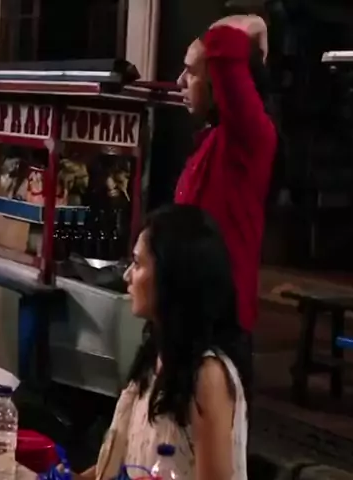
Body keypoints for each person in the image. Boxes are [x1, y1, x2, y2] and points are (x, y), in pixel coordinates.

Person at [85, 205, 251, 480]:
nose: (127, 276)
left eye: (138, 264)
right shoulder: (154, 356)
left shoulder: (208, 376)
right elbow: (117, 467)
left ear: (172, 276)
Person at [175, 14, 278, 341]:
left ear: (218, 81)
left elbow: (222, 45)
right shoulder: (211, 142)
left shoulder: (249, 138)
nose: (180, 81)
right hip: (190, 314)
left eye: (191, 72)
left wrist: (254, 23)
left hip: (220, 322)